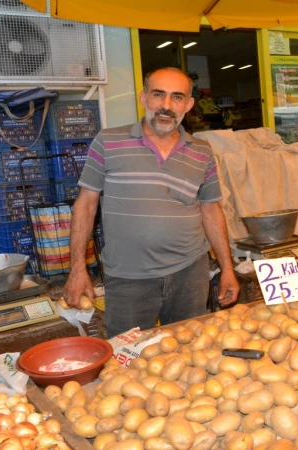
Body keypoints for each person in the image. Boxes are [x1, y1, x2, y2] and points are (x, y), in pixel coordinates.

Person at [64, 67, 239, 337]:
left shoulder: (202, 151)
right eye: (159, 95)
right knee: (127, 359)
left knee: (189, 351)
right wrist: (77, 269)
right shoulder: (108, 142)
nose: (167, 106)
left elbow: (211, 209)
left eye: (177, 97)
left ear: (189, 104)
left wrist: (227, 268)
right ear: (143, 98)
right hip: (128, 278)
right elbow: (85, 205)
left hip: (190, 273)